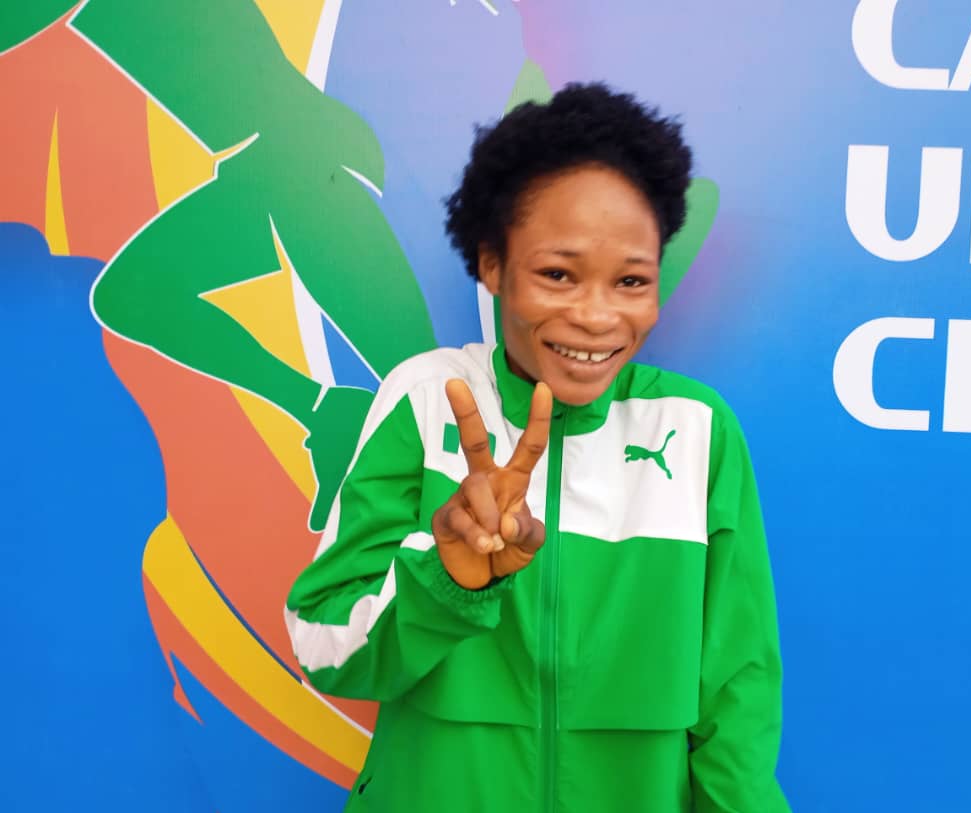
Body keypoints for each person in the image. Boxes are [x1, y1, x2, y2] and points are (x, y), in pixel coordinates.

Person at [286, 83, 789, 813]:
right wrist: (447, 583)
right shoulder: (427, 399)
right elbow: (323, 643)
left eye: (631, 281)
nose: (596, 316)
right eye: (557, 274)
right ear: (492, 263)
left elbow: (737, 691)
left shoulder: (696, 428)